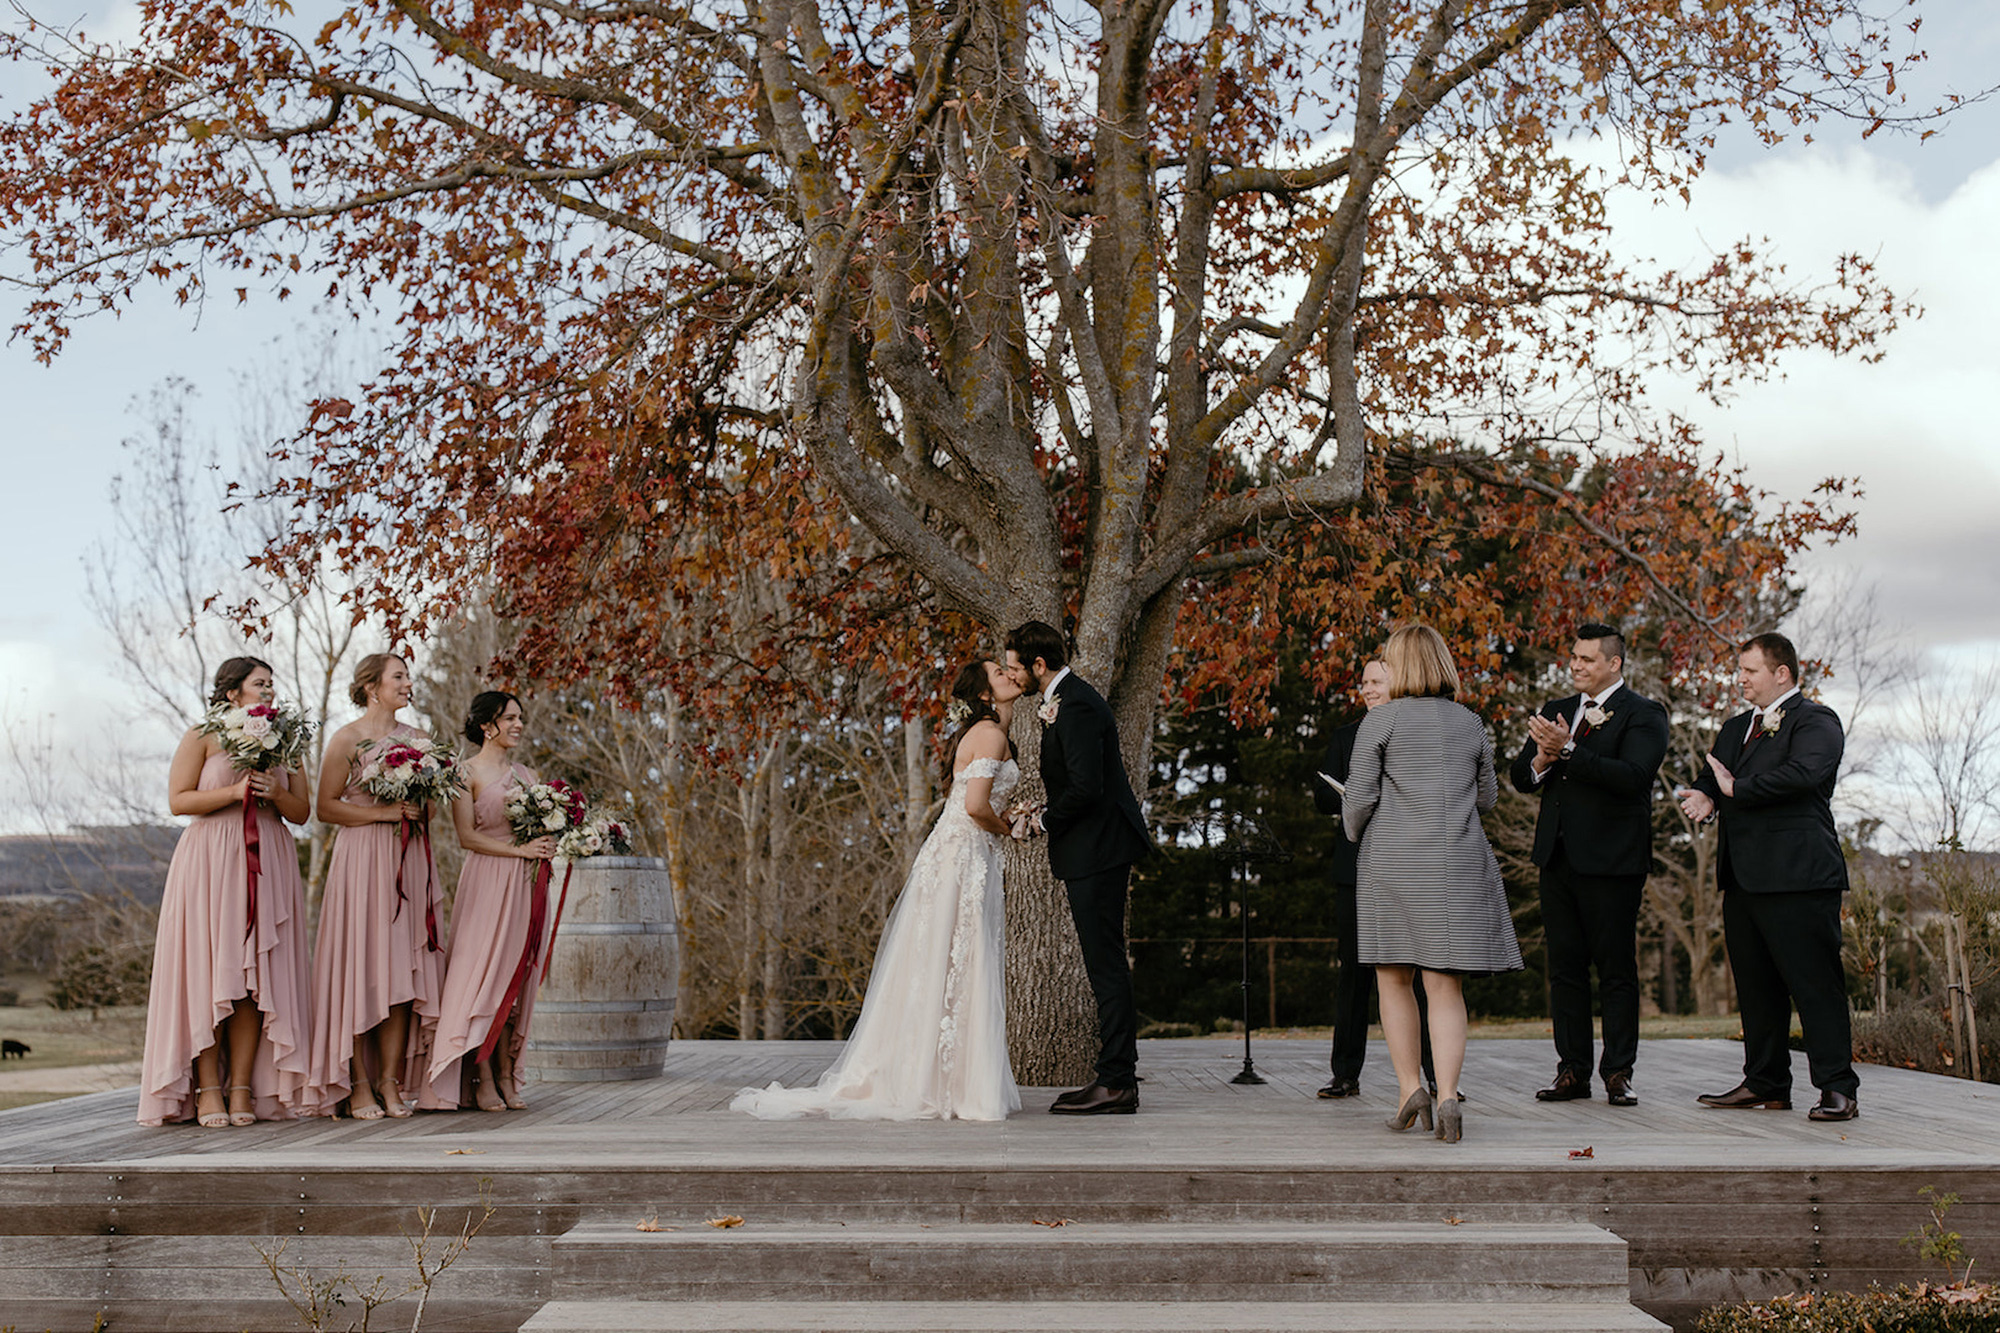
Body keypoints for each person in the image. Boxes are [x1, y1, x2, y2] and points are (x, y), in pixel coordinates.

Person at [733, 660, 1026, 1121]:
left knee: (950, 962)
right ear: (985, 694)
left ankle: (941, 1079)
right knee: (958, 961)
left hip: (963, 858)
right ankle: (949, 1086)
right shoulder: (989, 734)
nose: (1009, 674)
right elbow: (974, 806)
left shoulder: (991, 731)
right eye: (998, 672)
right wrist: (1008, 828)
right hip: (961, 857)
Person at [1343, 624, 1522, 1144]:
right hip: (1458, 863)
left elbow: (1357, 799)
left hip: (1394, 863)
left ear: (1401, 666)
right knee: (1445, 985)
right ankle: (1448, 1097)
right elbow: (1487, 797)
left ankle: (1408, 1090)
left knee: (1393, 978)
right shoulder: (1471, 724)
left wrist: (1353, 830)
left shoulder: (1381, 723)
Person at [1678, 632, 1859, 1122]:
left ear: (1782, 673)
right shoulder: (1736, 727)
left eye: (1749, 671)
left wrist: (1736, 788)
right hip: (1742, 878)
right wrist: (1705, 797)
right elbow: (1710, 776)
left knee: (1815, 985)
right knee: (1756, 988)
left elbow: (1805, 774)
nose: (1740, 680)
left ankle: (1838, 1088)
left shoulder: (1816, 720)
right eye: (1739, 671)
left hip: (1800, 876)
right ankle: (1766, 1082)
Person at [137, 656, 314, 1127]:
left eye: (273, 684)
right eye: (261, 684)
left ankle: (242, 1088)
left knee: (257, 979)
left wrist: (274, 795)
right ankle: (207, 1088)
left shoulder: (287, 739)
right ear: (233, 693)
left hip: (268, 860)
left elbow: (302, 811)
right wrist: (233, 795)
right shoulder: (202, 735)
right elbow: (179, 800)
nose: (270, 691)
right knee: (211, 975)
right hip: (211, 861)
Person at [1509, 623, 1669, 1108]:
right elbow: (1521, 778)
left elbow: (1633, 777)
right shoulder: (1557, 711)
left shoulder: (1645, 714)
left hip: (1613, 863)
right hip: (1556, 858)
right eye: (1573, 657)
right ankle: (1572, 1071)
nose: (1575, 665)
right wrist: (1541, 756)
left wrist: (1570, 750)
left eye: (1586, 659)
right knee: (1565, 972)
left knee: (1616, 970)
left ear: (1614, 663)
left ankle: (1618, 1072)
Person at [1004, 620, 1152, 1116]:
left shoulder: (1080, 705)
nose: (1012, 676)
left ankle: (1117, 1083)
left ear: (1038, 666)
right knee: (1102, 964)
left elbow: (1087, 789)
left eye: (1014, 667)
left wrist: (1042, 819)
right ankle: (1114, 1076)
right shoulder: (1064, 702)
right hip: (1092, 848)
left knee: (1106, 966)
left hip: (1101, 849)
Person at [304, 652, 445, 1120]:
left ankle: (390, 1081)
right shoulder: (347, 739)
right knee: (363, 968)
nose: (408, 683)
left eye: (408, 675)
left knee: (405, 968)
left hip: (410, 859)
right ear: (372, 686)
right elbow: (325, 807)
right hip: (362, 860)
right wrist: (382, 813)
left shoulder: (421, 740)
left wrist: (415, 801)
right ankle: (357, 1083)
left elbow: (431, 810)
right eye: (399, 676)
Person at [423, 692, 559, 1112]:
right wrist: (520, 851)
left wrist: (548, 841)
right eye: (510, 718)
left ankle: (506, 1075)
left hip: (525, 883)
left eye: (521, 717)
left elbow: (539, 827)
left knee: (515, 982)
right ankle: (480, 1077)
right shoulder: (464, 773)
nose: (519, 724)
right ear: (487, 726)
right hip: (486, 879)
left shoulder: (528, 774)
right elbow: (466, 836)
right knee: (483, 979)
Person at [1311, 655, 1434, 1099]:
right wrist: (1352, 796)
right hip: (1355, 869)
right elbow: (1322, 796)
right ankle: (1345, 1073)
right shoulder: (1346, 737)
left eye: (1376, 681)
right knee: (1354, 974)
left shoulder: (1418, 734)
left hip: (1407, 867)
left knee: (1422, 971)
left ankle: (1435, 1075)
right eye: (1363, 681)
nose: (1367, 688)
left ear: (1399, 683)